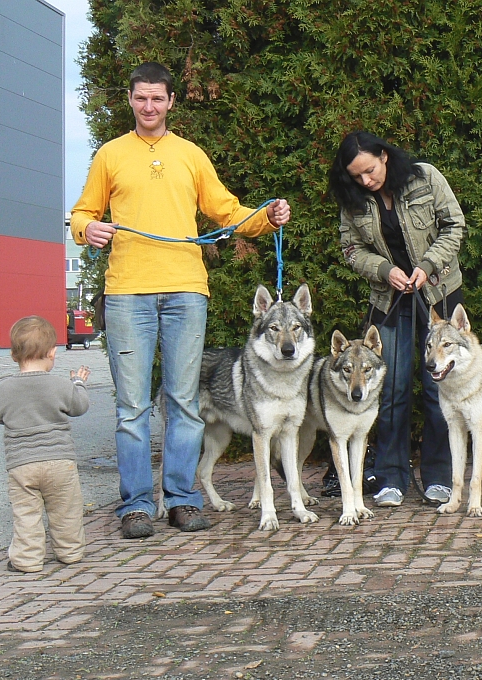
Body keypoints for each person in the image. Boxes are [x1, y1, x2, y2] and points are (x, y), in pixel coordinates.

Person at [70, 62, 291, 539]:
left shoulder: (191, 155)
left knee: (185, 402)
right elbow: (82, 212)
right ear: (129, 100)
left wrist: (267, 217)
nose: (149, 106)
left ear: (171, 102)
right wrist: (87, 228)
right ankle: (134, 506)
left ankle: (182, 500)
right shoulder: (110, 155)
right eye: (140, 98)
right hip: (128, 292)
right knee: (131, 407)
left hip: (187, 292)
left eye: (157, 98)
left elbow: (227, 212)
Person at [328, 131, 465, 508]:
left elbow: (455, 225)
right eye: (357, 176)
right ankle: (390, 476)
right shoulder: (353, 199)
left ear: (384, 157)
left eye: (370, 171)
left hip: (437, 293)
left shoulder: (425, 177)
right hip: (388, 301)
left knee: (439, 386)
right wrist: (384, 269)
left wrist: (426, 265)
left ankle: (440, 475)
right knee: (389, 389)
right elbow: (350, 248)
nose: (366, 181)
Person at [0, 317, 91, 573]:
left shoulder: (3, 387)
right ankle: (70, 552)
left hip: (21, 464)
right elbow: (79, 407)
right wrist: (78, 383)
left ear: (13, 355)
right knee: (66, 510)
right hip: (60, 461)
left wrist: (3, 393)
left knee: (26, 514)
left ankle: (27, 560)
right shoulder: (60, 385)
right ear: (52, 353)